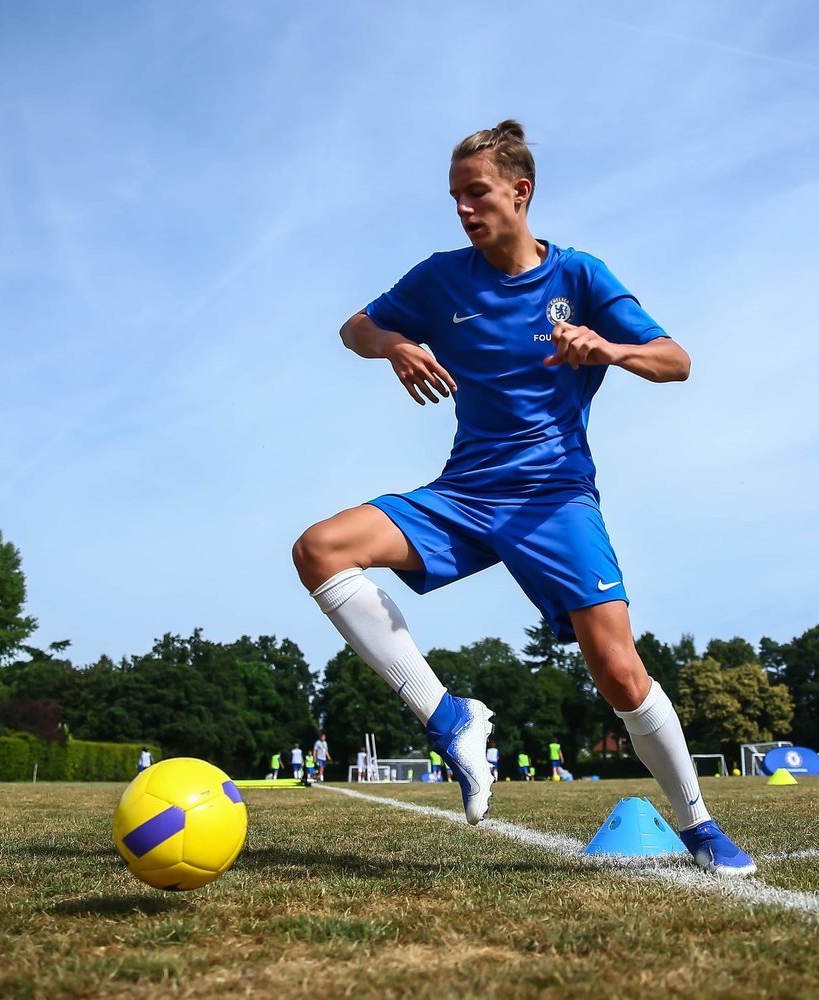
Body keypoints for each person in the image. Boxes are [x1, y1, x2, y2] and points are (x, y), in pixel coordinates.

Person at [290, 120, 753, 875]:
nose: (464, 209)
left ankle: (699, 825)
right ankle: (449, 718)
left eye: (477, 193)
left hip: (555, 499)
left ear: (520, 191)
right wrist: (396, 344)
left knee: (619, 672)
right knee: (320, 550)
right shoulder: (441, 279)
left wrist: (609, 349)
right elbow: (354, 328)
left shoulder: (580, 277)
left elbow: (677, 360)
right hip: (466, 493)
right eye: (456, 197)